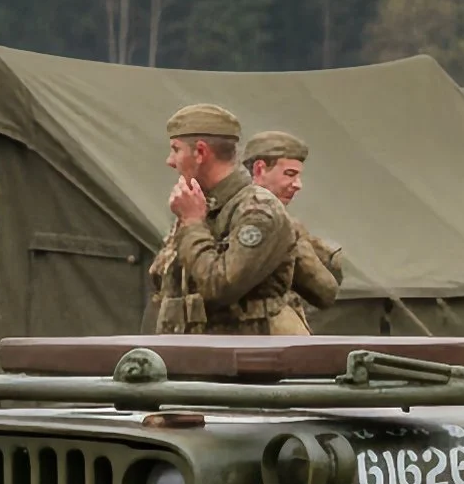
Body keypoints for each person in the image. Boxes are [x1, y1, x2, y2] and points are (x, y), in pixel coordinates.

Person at [146, 104, 302, 335]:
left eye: (176, 149)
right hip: (197, 357)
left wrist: (192, 224)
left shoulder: (258, 211)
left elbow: (220, 286)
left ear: (200, 152)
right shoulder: (203, 205)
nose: (170, 160)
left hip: (248, 361)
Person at [245, 129, 345, 330]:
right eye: (289, 174)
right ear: (259, 170)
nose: (297, 184)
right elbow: (324, 291)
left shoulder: (211, 209)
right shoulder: (279, 223)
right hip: (269, 336)